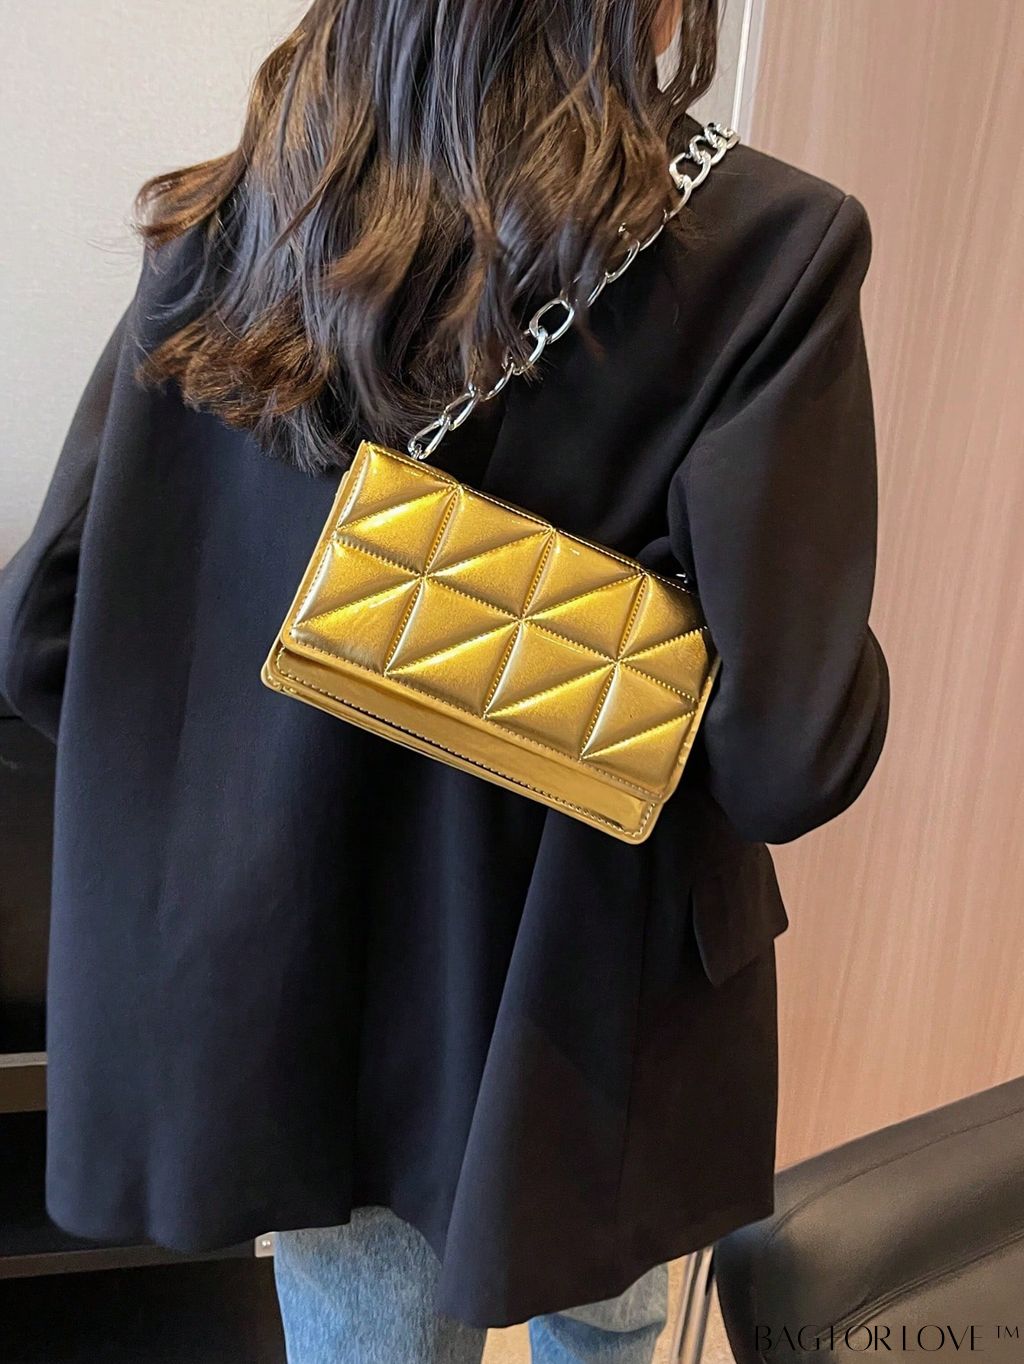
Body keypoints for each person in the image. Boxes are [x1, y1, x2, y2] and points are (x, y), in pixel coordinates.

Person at [0, 0, 889, 1359]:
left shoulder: (232, 228)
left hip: (302, 991)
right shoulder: (765, 244)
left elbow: (46, 631)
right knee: (608, 1327)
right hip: (587, 1001)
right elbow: (789, 757)